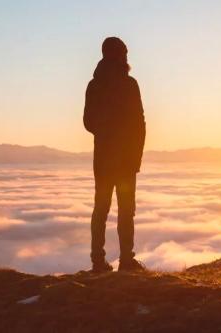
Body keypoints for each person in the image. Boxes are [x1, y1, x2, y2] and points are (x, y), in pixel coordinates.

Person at [83, 37, 146, 273]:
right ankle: (126, 261)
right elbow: (140, 123)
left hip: (104, 159)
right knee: (125, 210)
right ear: (117, 55)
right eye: (125, 52)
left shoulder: (94, 85)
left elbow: (88, 122)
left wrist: (105, 132)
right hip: (126, 160)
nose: (127, 56)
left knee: (101, 209)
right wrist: (135, 154)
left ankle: (98, 262)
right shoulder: (130, 85)